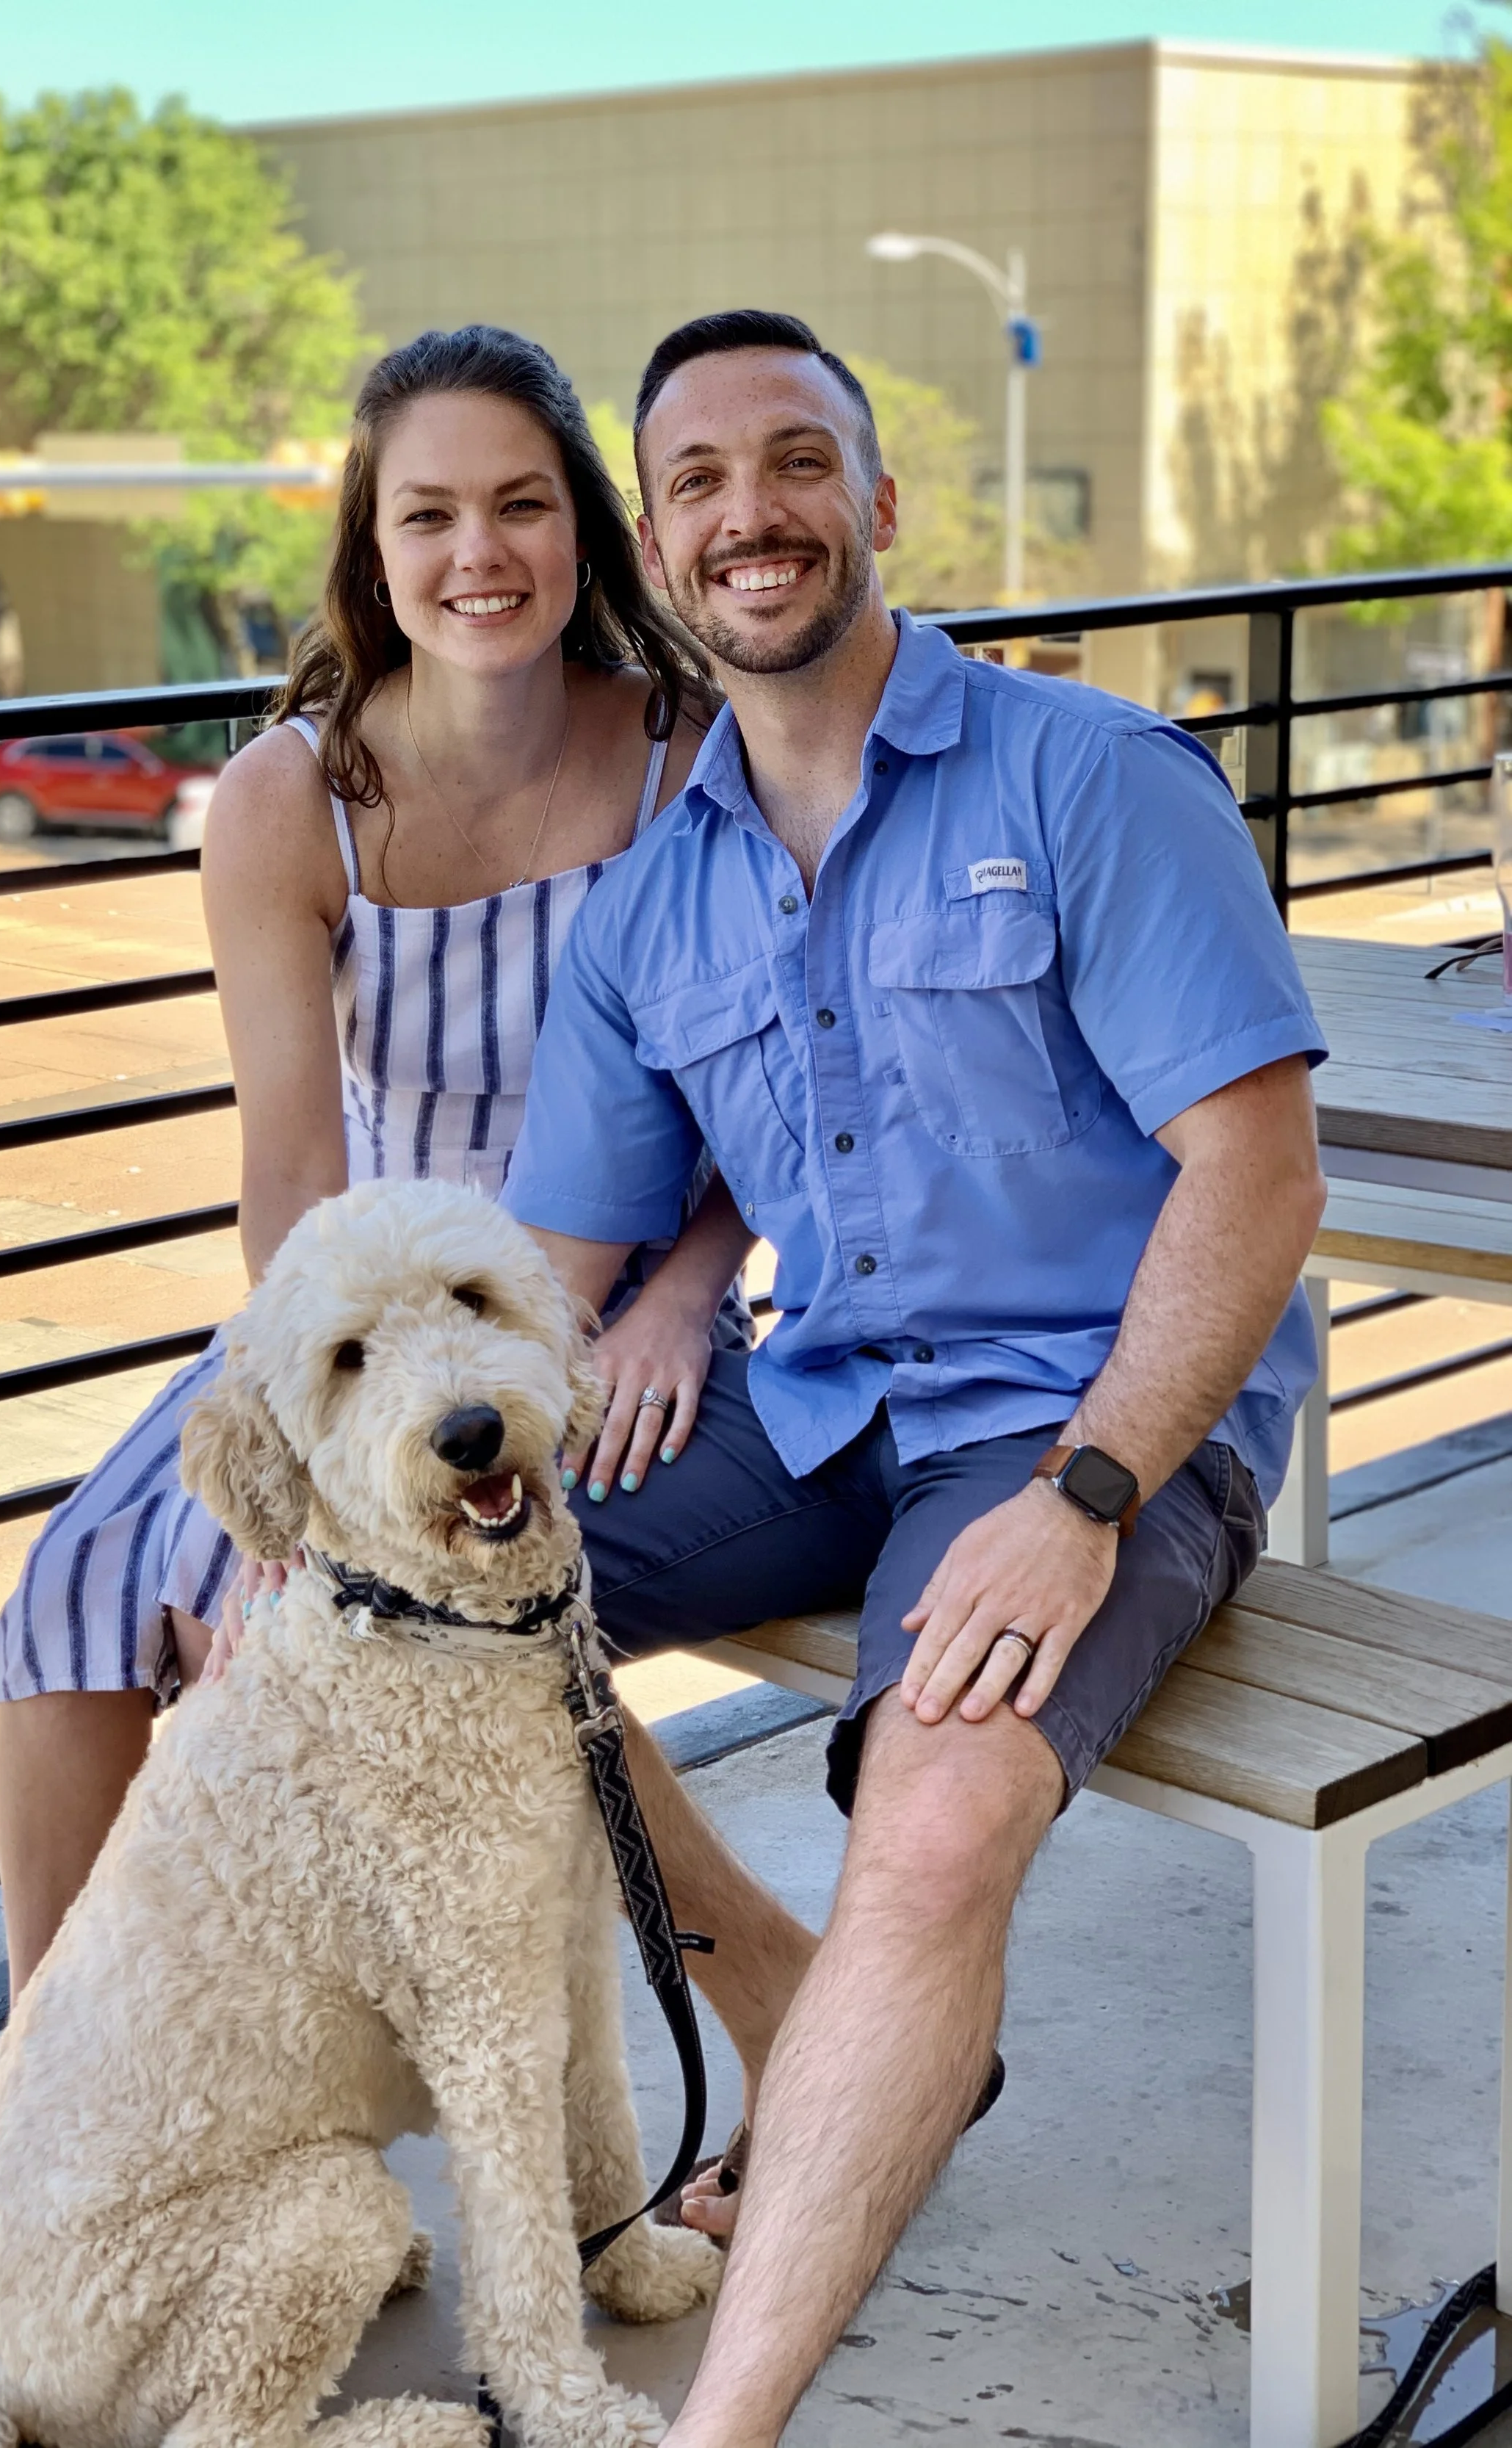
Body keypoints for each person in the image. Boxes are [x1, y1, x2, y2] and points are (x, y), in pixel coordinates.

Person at [500, 308, 1329, 2446]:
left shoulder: (1086, 778)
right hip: (819, 1401)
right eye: (693, 481)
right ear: (659, 550)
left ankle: (724, 2427)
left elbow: (1252, 1171)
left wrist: (1087, 1493)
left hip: (1081, 1420)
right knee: (422, 1604)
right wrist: (337, 1453)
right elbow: (544, 1271)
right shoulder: (642, 907)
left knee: (942, 1800)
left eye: (793, 465)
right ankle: (796, 2005)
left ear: (875, 506)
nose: (744, 513)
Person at [0, 323, 762, 2286]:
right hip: (343, 1329)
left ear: (579, 523)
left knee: (482, 1631)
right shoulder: (295, 797)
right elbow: (290, 1176)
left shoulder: (684, 749)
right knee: (79, 1599)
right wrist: (313, 1463)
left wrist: (689, 1294)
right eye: (428, 511)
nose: (480, 551)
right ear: (371, 544)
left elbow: (746, 1103)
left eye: (522, 502)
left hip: (590, 1326)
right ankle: (46, 2121)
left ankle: (714, 2044)